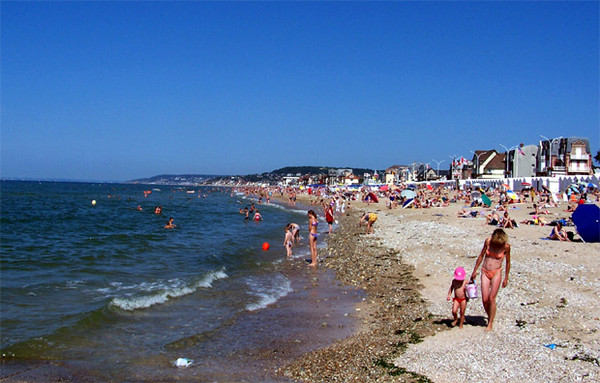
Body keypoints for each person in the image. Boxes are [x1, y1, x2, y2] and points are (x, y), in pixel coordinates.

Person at [470, 229, 511, 332]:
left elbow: (508, 262)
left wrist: (506, 277)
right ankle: (490, 315)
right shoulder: (488, 242)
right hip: (485, 271)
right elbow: (481, 255)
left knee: (492, 298)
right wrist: (474, 271)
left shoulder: (506, 246)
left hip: (496, 272)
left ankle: (490, 322)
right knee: (484, 299)